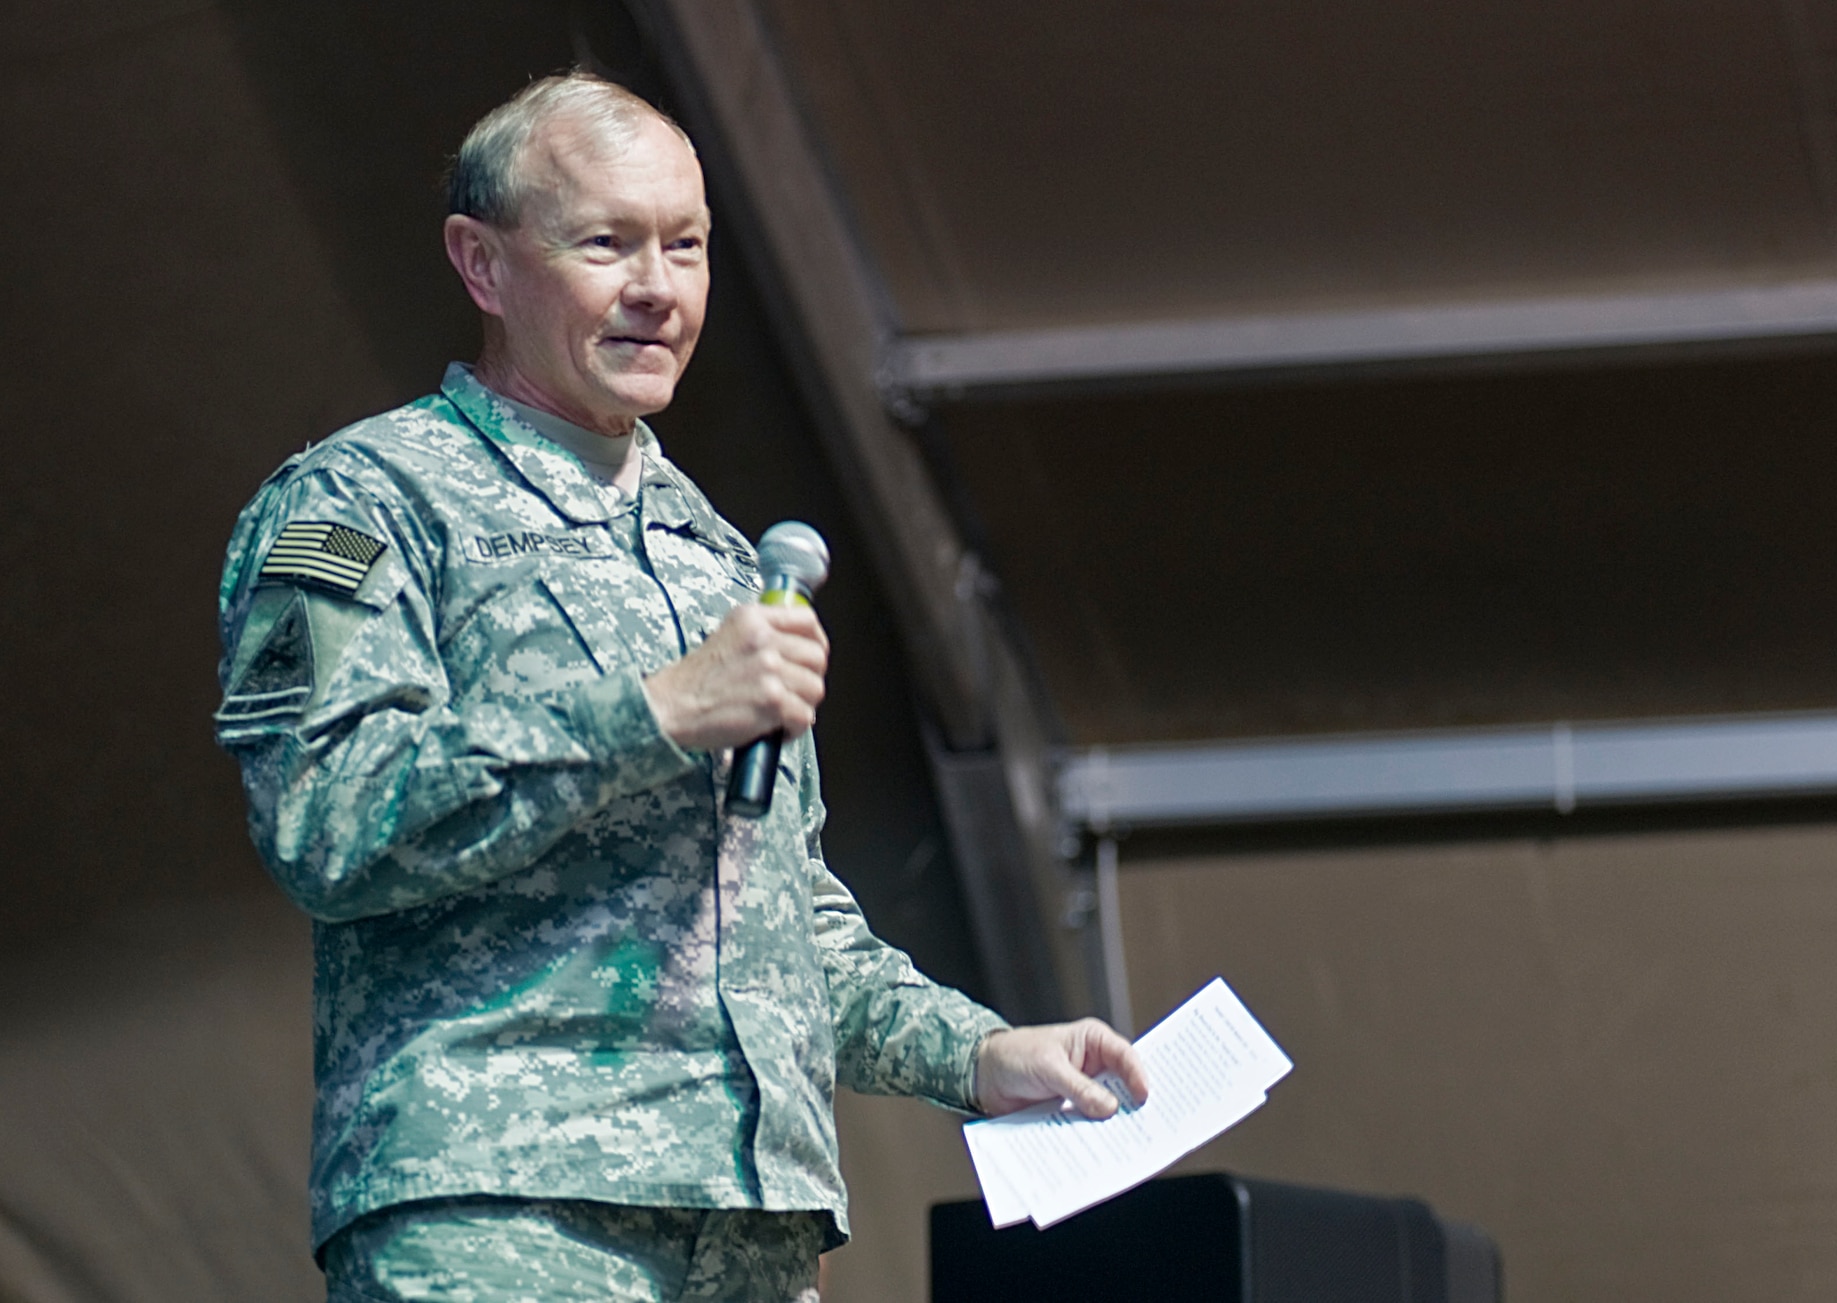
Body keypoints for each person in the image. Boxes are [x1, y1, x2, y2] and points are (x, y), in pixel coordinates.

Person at [213, 72, 1146, 1303]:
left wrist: (977, 1053)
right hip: (505, 1209)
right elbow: (324, 819)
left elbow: (782, 916)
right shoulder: (364, 501)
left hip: (750, 1226)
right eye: (605, 243)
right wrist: (648, 713)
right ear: (481, 264)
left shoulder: (718, 556)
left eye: (687, 246)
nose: (657, 288)